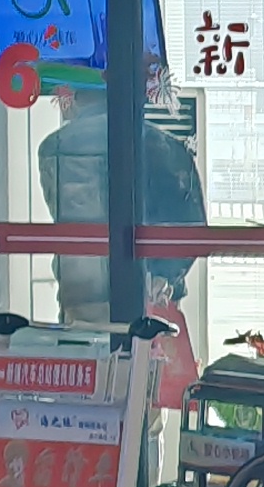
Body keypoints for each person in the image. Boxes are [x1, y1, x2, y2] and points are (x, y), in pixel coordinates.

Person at [36, 69, 203, 329]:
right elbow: (193, 230)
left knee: (86, 351)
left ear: (78, 96)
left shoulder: (53, 148)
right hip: (149, 293)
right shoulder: (166, 147)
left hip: (79, 290)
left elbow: (62, 213)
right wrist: (164, 275)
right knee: (145, 352)